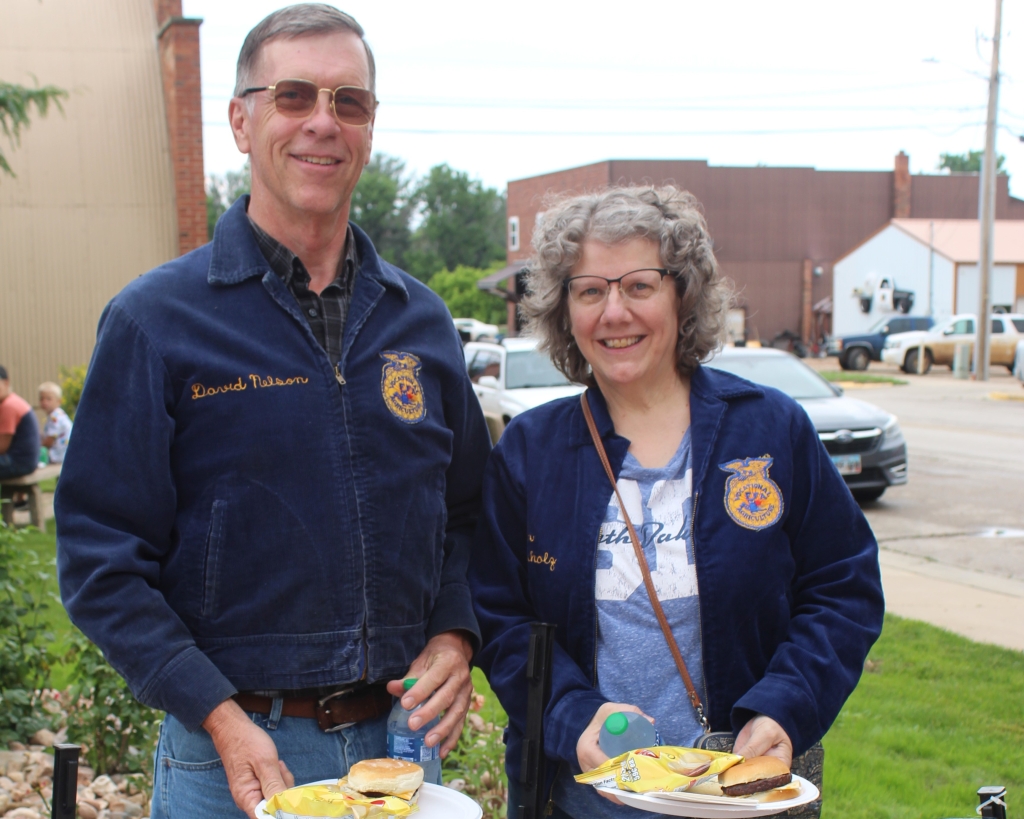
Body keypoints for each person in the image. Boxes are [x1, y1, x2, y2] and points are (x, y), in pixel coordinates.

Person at [55, 6, 491, 818]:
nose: (324, 122)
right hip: (234, 756)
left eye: (349, 102)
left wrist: (454, 634)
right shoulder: (158, 321)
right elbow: (97, 556)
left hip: (400, 748)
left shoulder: (420, 322)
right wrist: (215, 711)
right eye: (294, 96)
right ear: (241, 120)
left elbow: (467, 513)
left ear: (368, 128)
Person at [469, 186, 884, 818]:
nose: (614, 312)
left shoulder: (768, 430)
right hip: (584, 803)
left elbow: (843, 586)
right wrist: (572, 714)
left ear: (681, 295)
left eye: (639, 286)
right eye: (590, 290)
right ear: (564, 310)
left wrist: (785, 705)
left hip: (743, 796)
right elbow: (501, 619)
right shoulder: (532, 451)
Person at [0, 365, 40, 481]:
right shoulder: (11, 401)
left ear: (6, 383)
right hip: (26, 460)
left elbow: (2, 447)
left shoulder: (9, 406)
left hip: (19, 462)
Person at [38, 382, 72, 464]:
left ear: (58, 401)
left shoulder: (55, 417)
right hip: (65, 454)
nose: (44, 402)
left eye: (48, 399)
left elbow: (49, 442)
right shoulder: (59, 414)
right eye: (41, 399)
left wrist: (36, 446)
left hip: (59, 456)